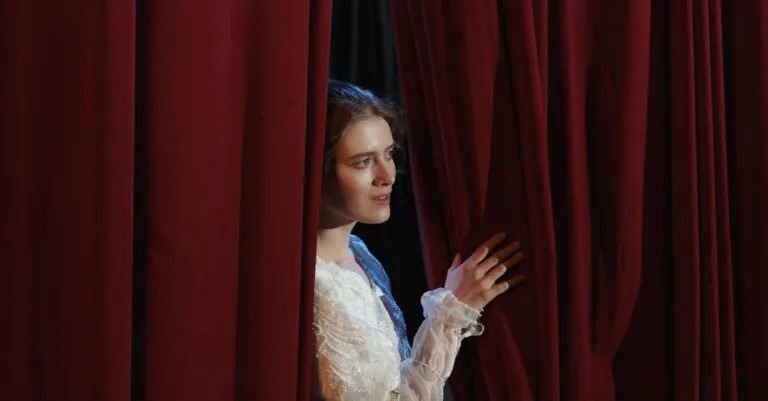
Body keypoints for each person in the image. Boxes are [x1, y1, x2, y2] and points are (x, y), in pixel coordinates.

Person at [313, 80, 525, 400]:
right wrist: (450, 313)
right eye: (362, 162)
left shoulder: (359, 254)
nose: (387, 175)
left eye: (388, 154)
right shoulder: (317, 285)